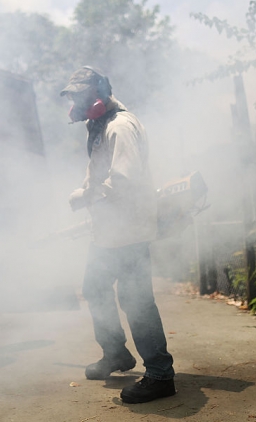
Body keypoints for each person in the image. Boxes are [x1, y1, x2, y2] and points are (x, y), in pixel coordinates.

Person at [60, 66, 176, 404]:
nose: (78, 103)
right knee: (94, 287)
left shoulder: (121, 127)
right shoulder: (100, 126)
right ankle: (115, 353)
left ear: (100, 92)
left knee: (136, 300)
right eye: (74, 97)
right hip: (109, 230)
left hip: (128, 230)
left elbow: (122, 180)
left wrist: (84, 197)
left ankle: (159, 374)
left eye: (82, 95)